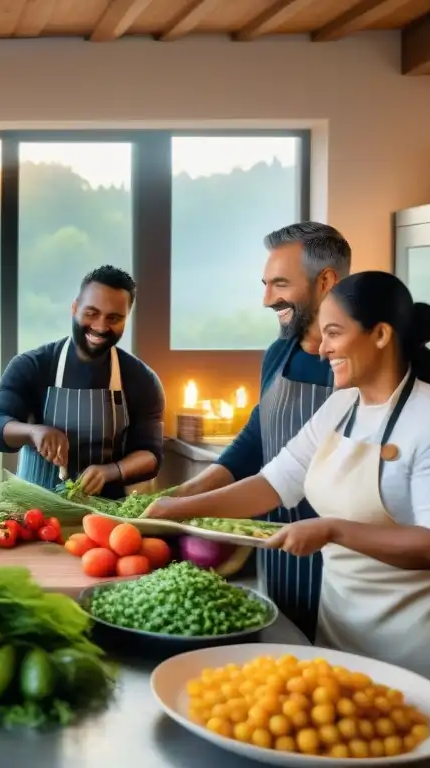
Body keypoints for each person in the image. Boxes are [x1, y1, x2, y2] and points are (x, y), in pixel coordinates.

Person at [148, 271, 430, 697]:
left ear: (381, 335)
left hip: (415, 638)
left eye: (334, 333)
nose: (323, 349)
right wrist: (176, 509)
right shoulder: (340, 405)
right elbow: (272, 483)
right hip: (341, 626)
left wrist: (332, 529)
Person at [169, 223, 351, 641]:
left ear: (326, 281)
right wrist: (185, 493)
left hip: (343, 562)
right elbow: (255, 442)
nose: (267, 299)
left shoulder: (362, 367)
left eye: (280, 284)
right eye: (266, 284)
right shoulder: (278, 354)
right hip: (278, 554)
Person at [0, 265, 164, 500]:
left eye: (114, 318)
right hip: (32, 512)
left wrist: (111, 471)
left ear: (126, 318)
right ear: (74, 308)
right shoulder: (33, 365)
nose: (100, 326)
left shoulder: (141, 379)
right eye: (91, 313)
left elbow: (151, 455)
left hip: (107, 516)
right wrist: (33, 432)